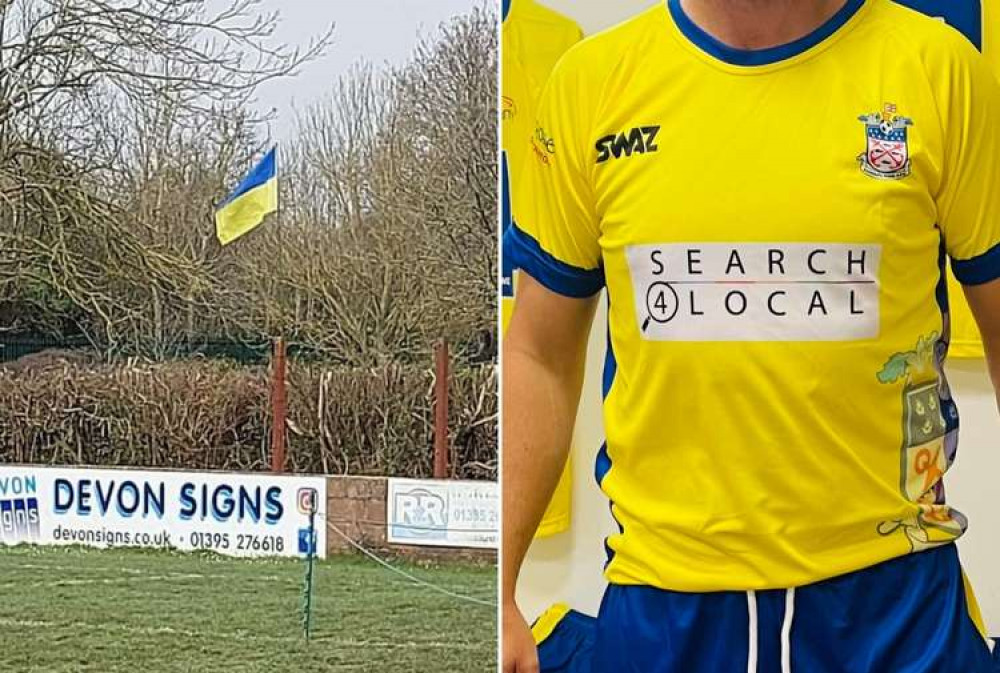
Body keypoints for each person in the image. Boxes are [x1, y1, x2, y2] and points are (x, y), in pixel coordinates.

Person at [502, 0, 1000, 671]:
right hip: (665, 614)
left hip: (895, 612)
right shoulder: (592, 83)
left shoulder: (939, 70)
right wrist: (497, 586)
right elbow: (538, 353)